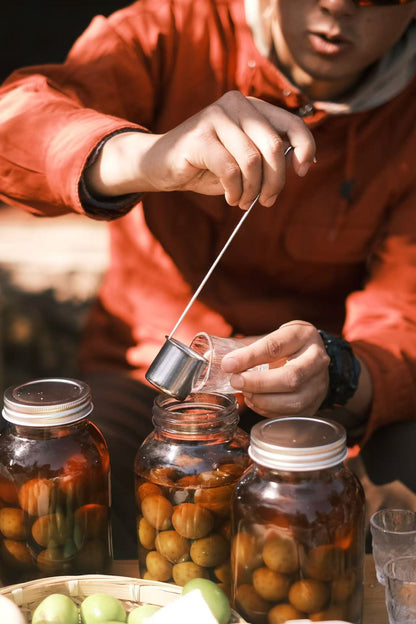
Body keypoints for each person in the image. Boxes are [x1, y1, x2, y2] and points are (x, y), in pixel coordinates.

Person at [0, 0, 415, 558]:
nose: (337, 5)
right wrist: (147, 157)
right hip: (148, 379)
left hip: (321, 398)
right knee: (55, 484)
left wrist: (340, 373)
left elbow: (404, 317)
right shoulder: (176, 29)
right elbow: (15, 121)